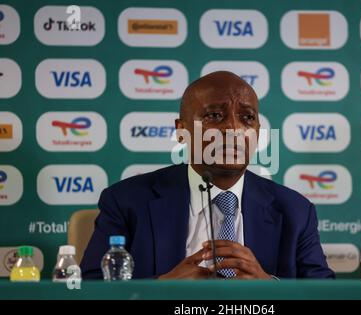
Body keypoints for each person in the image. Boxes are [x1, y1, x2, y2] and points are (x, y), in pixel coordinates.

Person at [81, 71, 335, 279]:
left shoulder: (296, 211)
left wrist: (269, 287)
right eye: (214, 115)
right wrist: (160, 291)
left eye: (247, 118)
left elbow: (325, 295)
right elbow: (90, 289)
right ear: (181, 131)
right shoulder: (127, 201)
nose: (233, 128)